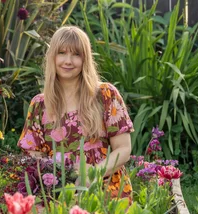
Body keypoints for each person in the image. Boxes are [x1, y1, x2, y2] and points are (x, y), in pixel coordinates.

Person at [17, 26, 134, 198]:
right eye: (62, 53)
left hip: (105, 189)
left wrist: (92, 175)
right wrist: (59, 179)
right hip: (57, 194)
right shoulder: (40, 105)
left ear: (85, 59)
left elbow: (123, 148)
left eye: (76, 54)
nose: (68, 61)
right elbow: (32, 155)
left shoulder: (105, 95)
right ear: (52, 57)